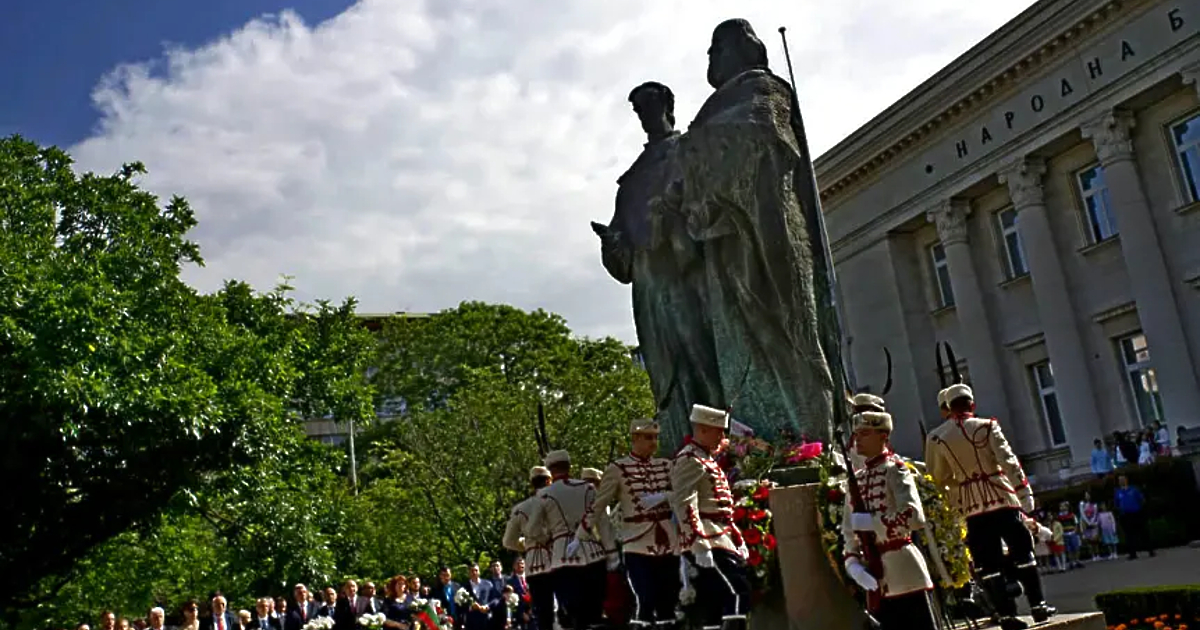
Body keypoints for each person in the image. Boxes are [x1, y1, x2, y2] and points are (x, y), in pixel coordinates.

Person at [592, 79, 722, 450]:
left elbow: (710, 203)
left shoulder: (688, 151)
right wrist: (613, 243)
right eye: (638, 110)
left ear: (666, 104)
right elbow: (621, 242)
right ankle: (681, 445)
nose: (644, 114)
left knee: (700, 355)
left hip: (686, 272)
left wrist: (676, 220)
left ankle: (725, 441)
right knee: (664, 368)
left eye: (649, 105)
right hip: (649, 282)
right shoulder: (631, 180)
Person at [925, 383, 1055, 630]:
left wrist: (961, 486)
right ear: (972, 404)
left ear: (949, 407)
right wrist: (1024, 493)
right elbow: (1009, 462)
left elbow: (938, 477)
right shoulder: (987, 426)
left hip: (971, 505)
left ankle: (1006, 615)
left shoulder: (938, 437)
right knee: (1023, 551)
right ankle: (1038, 605)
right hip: (1002, 497)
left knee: (987, 561)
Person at [841, 408, 937, 630]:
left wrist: (873, 523)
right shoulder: (856, 481)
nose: (857, 440)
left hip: (904, 570)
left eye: (865, 433)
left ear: (883, 436)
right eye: (856, 434)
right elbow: (849, 530)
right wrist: (853, 564)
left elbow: (914, 516)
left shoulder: (895, 470)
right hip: (874, 577)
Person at [579, 417, 678, 630]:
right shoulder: (618, 468)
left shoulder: (666, 465)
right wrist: (582, 532)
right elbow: (599, 504)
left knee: (668, 602)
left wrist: (665, 497)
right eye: (648, 438)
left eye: (655, 438)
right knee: (644, 598)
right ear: (635, 438)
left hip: (668, 540)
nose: (653, 443)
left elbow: (685, 492)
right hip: (637, 541)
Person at [670, 404, 750, 630]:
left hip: (719, 536)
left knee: (714, 604)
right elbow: (685, 503)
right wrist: (699, 543)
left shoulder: (705, 459)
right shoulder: (690, 460)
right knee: (736, 592)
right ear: (703, 430)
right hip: (707, 538)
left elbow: (722, 508)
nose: (722, 437)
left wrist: (737, 538)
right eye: (718, 431)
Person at [526, 450, 607, 630]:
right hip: (593, 553)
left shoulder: (544, 495)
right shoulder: (588, 488)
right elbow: (603, 523)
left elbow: (532, 530)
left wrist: (548, 538)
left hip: (563, 557)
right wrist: (612, 554)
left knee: (575, 613)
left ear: (550, 470)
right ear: (569, 466)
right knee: (595, 611)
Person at [502, 466, 554, 630]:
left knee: (543, 613)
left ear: (532, 483)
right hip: (560, 558)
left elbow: (508, 541)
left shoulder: (520, 509)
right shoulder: (558, 500)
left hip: (534, 564)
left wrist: (528, 544)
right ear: (549, 481)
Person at [1114, 475, 1155, 559]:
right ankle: (1133, 554)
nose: (1121, 481)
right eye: (1119, 480)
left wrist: (1139, 508)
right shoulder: (1118, 492)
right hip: (1126, 516)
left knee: (1144, 532)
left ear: (1126, 480)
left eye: (1122, 479)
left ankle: (1150, 551)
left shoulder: (1133, 489)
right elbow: (1117, 504)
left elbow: (1142, 499)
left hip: (1137, 514)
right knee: (1129, 535)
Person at [1078, 492, 1100, 561]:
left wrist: (1092, 521)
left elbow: (1095, 513)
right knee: (1089, 540)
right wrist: (1087, 522)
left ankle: (1097, 555)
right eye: (1086, 495)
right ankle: (1093, 555)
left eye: (1088, 495)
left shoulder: (1094, 504)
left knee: (1095, 540)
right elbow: (1082, 513)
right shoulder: (1082, 504)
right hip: (1085, 522)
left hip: (1093, 522)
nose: (1087, 496)